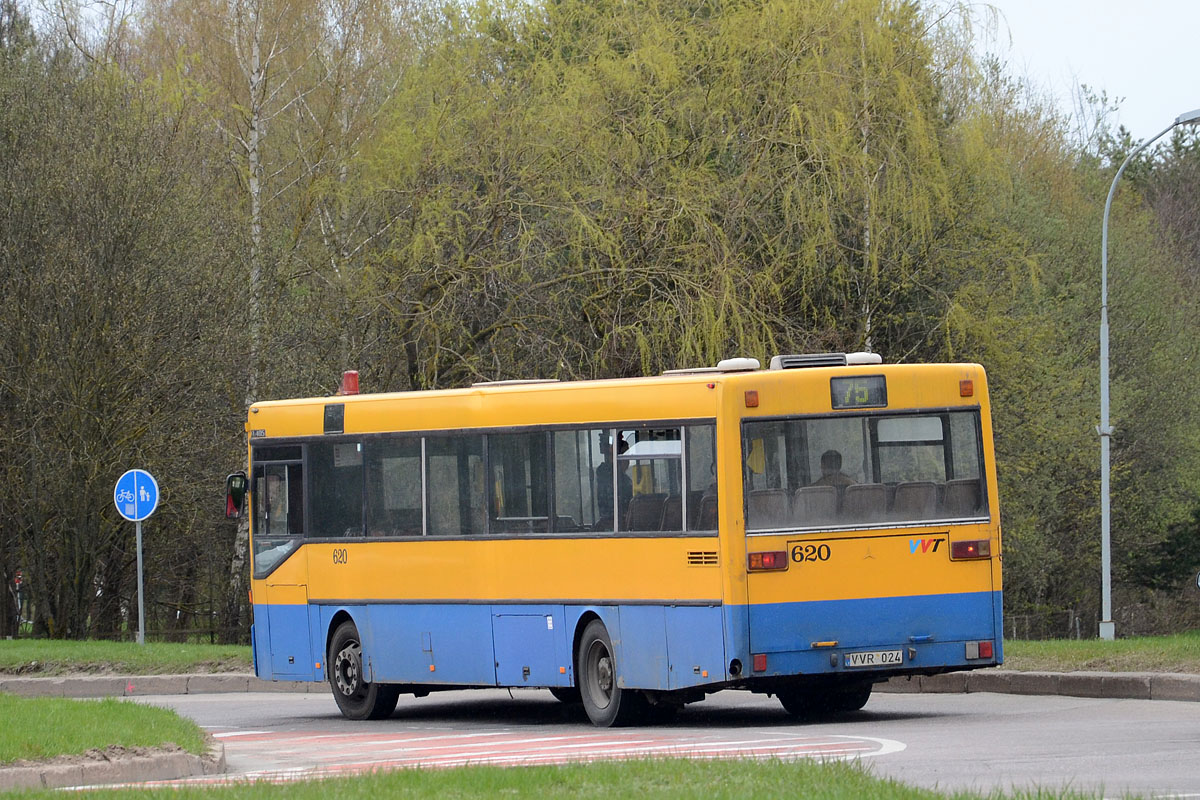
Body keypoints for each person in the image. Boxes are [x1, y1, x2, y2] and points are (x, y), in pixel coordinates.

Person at [595, 435, 633, 524]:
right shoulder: (610, 479)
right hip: (613, 523)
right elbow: (611, 508)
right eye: (625, 457)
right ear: (616, 458)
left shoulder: (622, 478)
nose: (628, 461)